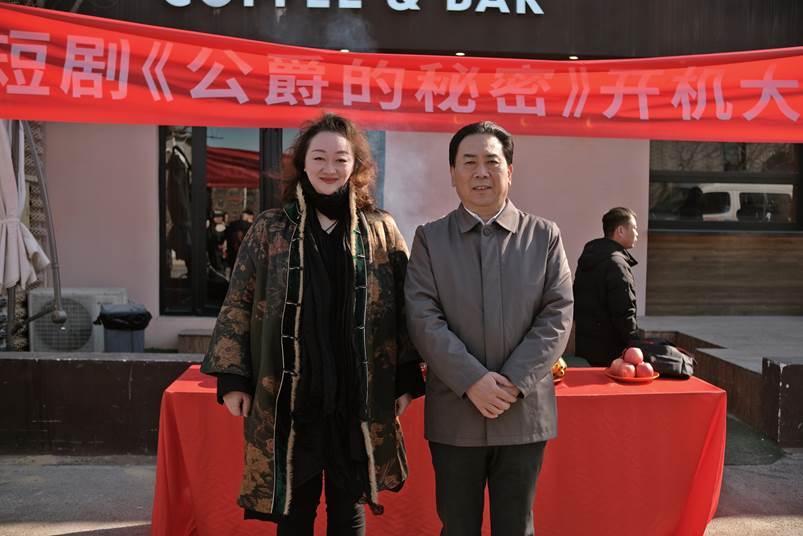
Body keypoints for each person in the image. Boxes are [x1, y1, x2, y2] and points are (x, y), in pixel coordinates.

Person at [201, 114, 424, 535]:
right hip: (290, 394)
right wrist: (233, 378)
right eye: (319, 157)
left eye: (340, 159)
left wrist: (406, 378)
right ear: (302, 163)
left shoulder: (380, 229)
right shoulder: (270, 228)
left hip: (354, 393)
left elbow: (405, 309)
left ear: (355, 166)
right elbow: (238, 303)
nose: (329, 168)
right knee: (293, 510)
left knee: (348, 510)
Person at [405, 121, 573, 536]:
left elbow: (557, 315)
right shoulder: (430, 240)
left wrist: (513, 382)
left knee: (516, 527)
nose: (481, 172)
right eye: (469, 162)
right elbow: (423, 317)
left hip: (523, 415)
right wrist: (472, 381)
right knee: (457, 526)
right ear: (453, 173)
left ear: (509, 171)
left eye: (492, 162)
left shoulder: (544, 237)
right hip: (455, 414)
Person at [573, 207, 640, 367]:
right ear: (620, 231)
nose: (637, 233)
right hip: (611, 352)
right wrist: (635, 344)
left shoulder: (589, 257)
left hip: (586, 346)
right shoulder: (617, 264)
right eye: (634, 228)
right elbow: (624, 311)